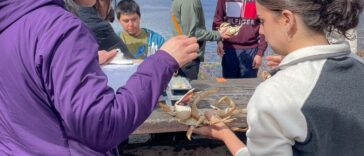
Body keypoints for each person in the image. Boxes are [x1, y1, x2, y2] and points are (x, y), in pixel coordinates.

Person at [0, 0, 198, 155]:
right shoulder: (60, 29)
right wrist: (164, 61)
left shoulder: (12, 21)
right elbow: (102, 125)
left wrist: (87, 59)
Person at [194, 0, 364, 155]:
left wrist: (224, 134)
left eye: (261, 21)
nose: (260, 30)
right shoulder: (358, 65)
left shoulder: (275, 94)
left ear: (286, 19)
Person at [171, 0, 231, 80]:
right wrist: (218, 34)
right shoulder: (189, 2)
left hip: (183, 55)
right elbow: (191, 33)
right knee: (187, 90)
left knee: (182, 90)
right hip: (188, 58)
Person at [212, 0, 268, 78]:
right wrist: (219, 41)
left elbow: (264, 24)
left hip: (251, 50)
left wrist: (260, 53)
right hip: (229, 49)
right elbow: (217, 21)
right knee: (229, 86)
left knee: (248, 86)